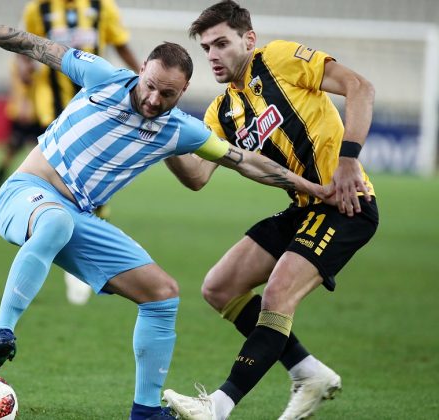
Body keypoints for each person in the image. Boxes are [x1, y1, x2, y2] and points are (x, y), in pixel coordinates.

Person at [0, 14, 333, 420]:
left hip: (76, 217)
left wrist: (314, 190)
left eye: (168, 95)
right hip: (25, 195)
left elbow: (246, 161)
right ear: (141, 70)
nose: (154, 99)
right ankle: (2, 330)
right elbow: (29, 43)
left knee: (162, 294)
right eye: (150, 86)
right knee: (55, 222)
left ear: (183, 92)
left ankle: (144, 412)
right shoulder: (102, 76)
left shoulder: (180, 129)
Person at [161, 2, 379, 419]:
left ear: (249, 39)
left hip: (347, 206)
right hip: (303, 208)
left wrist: (349, 158)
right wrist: (163, 137)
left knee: (278, 295)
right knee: (219, 287)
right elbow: (197, 176)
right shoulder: (221, 112)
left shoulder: (278, 58)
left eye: (222, 44)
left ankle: (217, 407)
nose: (213, 55)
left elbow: (360, 87)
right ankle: (308, 372)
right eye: (206, 48)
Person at [0, 0, 141, 305]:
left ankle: (84, 256)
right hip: (53, 110)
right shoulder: (39, 8)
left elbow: (121, 45)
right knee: (55, 183)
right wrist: (24, 70)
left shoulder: (102, 7)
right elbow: (23, 45)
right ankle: (66, 252)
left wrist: (141, 80)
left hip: (98, 108)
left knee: (93, 183)